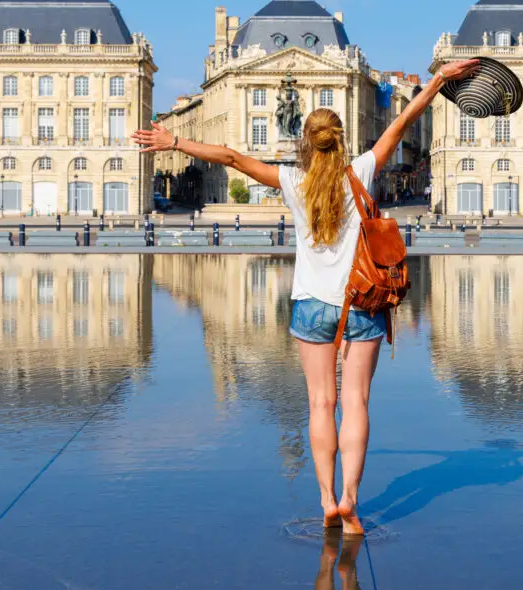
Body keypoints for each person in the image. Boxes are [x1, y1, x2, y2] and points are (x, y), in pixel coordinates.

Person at [132, 58, 480, 535]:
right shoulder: (360, 171)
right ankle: (352, 502)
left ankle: (325, 499)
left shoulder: (294, 183)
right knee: (355, 402)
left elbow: (231, 157)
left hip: (311, 307)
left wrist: (174, 142)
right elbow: (402, 123)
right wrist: (440, 79)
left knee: (320, 404)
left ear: (304, 144)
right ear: (340, 141)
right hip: (361, 303)